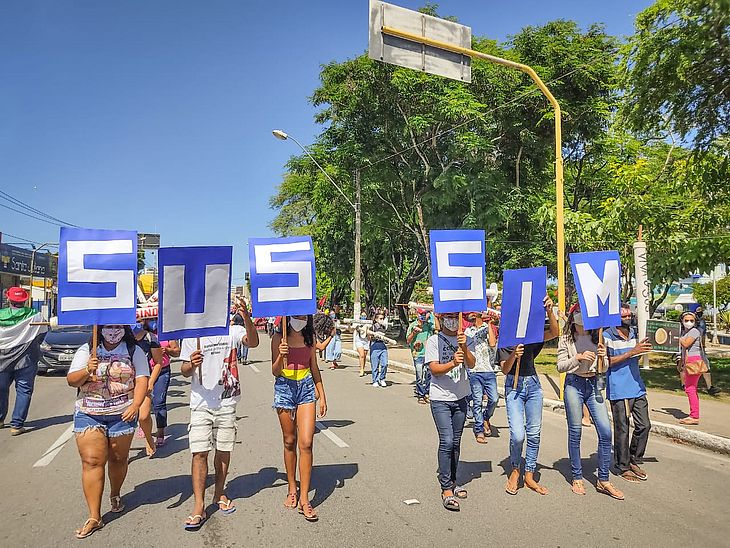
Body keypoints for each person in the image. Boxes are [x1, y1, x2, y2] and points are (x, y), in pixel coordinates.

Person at [179, 304, 259, 531]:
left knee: (223, 450)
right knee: (199, 452)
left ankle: (219, 493)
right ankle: (198, 506)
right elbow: (184, 370)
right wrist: (190, 364)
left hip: (227, 401)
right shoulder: (191, 335)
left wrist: (246, 317)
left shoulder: (232, 331)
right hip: (201, 402)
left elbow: (252, 342)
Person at [66, 325, 150, 539]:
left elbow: (142, 378)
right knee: (92, 461)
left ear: (124, 328)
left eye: (118, 326)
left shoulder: (134, 350)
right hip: (89, 413)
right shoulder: (87, 349)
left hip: (122, 414)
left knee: (118, 459)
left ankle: (115, 493)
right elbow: (71, 380)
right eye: (108, 327)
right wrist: (87, 370)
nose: (113, 331)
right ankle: (94, 516)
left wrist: (136, 405)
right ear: (100, 329)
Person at [557, 304, 624, 500]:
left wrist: (604, 358)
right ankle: (577, 476)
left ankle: (604, 479)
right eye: (579, 315)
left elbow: (604, 367)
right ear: (573, 319)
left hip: (594, 383)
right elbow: (561, 366)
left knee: (605, 431)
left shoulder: (599, 335)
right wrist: (577, 358)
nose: (583, 320)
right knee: (575, 431)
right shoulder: (567, 338)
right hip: (573, 384)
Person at [499, 295, 559, 496]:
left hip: (533, 385)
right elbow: (505, 370)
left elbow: (554, 332)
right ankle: (515, 469)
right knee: (518, 434)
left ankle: (529, 474)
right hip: (513, 387)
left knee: (534, 433)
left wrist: (550, 311)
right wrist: (513, 355)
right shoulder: (505, 337)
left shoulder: (531, 334)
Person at [271, 315, 327, 522]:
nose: (300, 318)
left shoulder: (310, 336)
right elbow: (275, 371)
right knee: (289, 441)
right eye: (296, 315)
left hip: (306, 388)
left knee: (306, 442)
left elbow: (314, 367)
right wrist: (280, 355)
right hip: (284, 387)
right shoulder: (278, 338)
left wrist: (322, 394)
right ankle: (292, 488)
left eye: (304, 315)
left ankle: (304, 499)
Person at [425, 311, 475, 511]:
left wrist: (463, 346)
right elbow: (434, 369)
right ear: (442, 318)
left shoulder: (466, 339)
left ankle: (453, 481)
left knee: (455, 442)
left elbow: (472, 364)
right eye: (449, 317)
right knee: (446, 441)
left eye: (456, 317)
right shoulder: (433, 341)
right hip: (440, 399)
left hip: (461, 398)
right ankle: (446, 488)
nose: (453, 321)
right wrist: (453, 363)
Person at [604, 304, 652, 483]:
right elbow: (606, 362)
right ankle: (622, 466)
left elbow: (636, 355)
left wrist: (642, 351)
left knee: (644, 425)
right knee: (622, 428)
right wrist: (632, 352)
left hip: (637, 386)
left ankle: (634, 459)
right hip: (619, 389)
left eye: (629, 315)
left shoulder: (634, 334)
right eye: (624, 316)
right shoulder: (607, 335)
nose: (628, 318)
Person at [0, 286, 47, 436]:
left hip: (1, 360)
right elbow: (43, 334)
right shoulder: (36, 316)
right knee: (24, 392)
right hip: (26, 360)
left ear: (8, 299)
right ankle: (16, 425)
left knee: (1, 390)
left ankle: (0, 420)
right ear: (25, 301)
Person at [464, 310, 499, 442]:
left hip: (488, 369)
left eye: (472, 312)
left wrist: (489, 323)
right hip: (474, 371)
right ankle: (479, 430)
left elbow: (492, 343)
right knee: (477, 401)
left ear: (478, 314)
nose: (469, 315)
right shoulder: (468, 331)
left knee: (494, 399)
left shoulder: (488, 327)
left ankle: (486, 417)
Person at [133, 320, 165, 457]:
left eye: (139, 320)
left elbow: (158, 362)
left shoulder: (150, 338)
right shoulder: (121, 336)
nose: (136, 323)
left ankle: (148, 437)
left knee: (144, 415)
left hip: (143, 381)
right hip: (123, 382)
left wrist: (151, 381)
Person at [678, 311, 706, 425]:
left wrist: (675, 337)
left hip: (694, 361)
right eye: (686, 320)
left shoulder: (694, 331)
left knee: (690, 388)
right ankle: (694, 414)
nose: (689, 322)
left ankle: (694, 416)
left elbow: (685, 344)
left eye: (691, 320)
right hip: (688, 361)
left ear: (695, 322)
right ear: (682, 321)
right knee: (691, 388)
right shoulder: (685, 332)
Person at [406, 309, 435, 404]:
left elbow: (438, 328)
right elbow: (408, 341)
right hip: (418, 354)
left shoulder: (429, 325)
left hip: (429, 354)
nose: (424, 316)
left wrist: (433, 315)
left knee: (429, 374)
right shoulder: (412, 325)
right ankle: (420, 394)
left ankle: (427, 392)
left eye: (426, 313)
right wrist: (414, 333)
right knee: (420, 375)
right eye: (422, 314)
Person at [694, 307, 720, 395]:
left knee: (705, 367)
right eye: (698, 312)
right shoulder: (696, 323)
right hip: (695, 349)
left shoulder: (702, 322)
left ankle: (709, 387)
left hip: (700, 348)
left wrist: (703, 346)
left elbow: (703, 336)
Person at [369, 311, 389, 387]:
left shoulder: (384, 327)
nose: (382, 320)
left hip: (382, 346)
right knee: (375, 365)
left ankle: (382, 378)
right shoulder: (372, 327)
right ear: (376, 319)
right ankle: (375, 380)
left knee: (385, 363)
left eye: (383, 318)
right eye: (380, 318)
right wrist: (372, 335)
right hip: (375, 346)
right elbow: (368, 338)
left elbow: (387, 338)